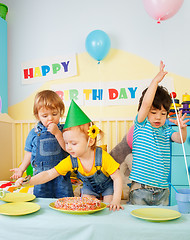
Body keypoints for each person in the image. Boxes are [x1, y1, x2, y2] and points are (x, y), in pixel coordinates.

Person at [15, 100, 124, 211]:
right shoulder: (71, 160)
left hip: (107, 186)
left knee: (109, 208)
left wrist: (116, 200)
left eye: (74, 143)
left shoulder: (102, 157)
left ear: (90, 142)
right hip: (89, 188)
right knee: (87, 207)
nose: (68, 147)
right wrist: (29, 181)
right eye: (66, 143)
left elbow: (117, 177)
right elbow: (48, 174)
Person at [129, 61, 189, 205]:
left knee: (161, 225)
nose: (158, 117)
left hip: (162, 191)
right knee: (138, 225)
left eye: (163, 114)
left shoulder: (166, 130)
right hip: (140, 189)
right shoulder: (141, 124)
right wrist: (156, 81)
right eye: (154, 112)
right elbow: (146, 104)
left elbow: (180, 139)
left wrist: (182, 128)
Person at [10, 90, 73, 198]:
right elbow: (29, 154)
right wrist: (21, 169)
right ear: (38, 116)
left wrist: (57, 133)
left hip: (61, 174)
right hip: (40, 174)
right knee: (41, 199)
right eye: (45, 116)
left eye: (54, 114)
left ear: (61, 112)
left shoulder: (64, 130)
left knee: (65, 199)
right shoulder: (34, 132)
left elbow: (68, 149)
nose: (50, 118)